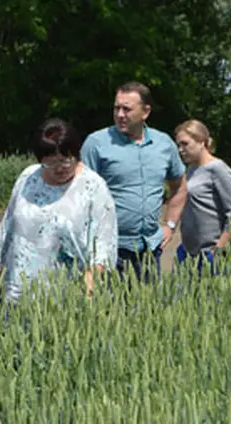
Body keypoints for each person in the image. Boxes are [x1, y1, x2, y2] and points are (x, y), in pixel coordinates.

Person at [0, 119, 118, 302]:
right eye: (50, 163)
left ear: (76, 154)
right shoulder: (28, 178)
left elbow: (104, 246)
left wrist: (89, 290)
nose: (59, 168)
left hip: (65, 300)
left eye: (65, 161)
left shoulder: (93, 187)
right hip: (17, 292)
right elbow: (7, 229)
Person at [81, 81, 186, 283]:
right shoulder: (97, 144)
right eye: (116, 108)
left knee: (145, 310)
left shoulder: (163, 144)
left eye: (126, 109)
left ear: (145, 111)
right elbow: (79, 194)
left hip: (149, 248)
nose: (120, 114)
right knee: (108, 311)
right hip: (107, 249)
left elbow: (179, 186)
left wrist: (170, 225)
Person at [174, 120, 231, 277]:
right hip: (188, 252)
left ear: (202, 142)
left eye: (185, 144)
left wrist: (218, 249)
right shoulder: (192, 169)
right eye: (178, 145)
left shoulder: (219, 170)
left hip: (212, 253)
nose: (180, 150)